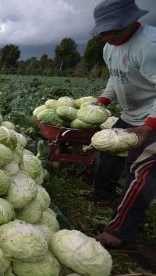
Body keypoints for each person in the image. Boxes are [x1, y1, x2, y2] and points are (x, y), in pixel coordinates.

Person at [89, 0, 156, 248]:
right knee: (109, 155)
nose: (108, 34)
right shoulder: (110, 47)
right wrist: (103, 101)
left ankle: (120, 231)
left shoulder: (149, 45)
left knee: (141, 171)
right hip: (133, 113)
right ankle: (104, 195)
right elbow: (115, 76)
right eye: (104, 30)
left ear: (131, 21)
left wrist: (148, 127)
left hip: (153, 117)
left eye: (114, 28)